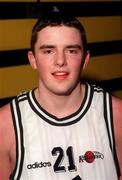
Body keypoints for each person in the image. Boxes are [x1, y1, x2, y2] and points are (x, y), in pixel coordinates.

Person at [0, 9, 122, 180]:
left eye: (71, 51)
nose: (60, 61)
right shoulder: (6, 126)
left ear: (85, 59)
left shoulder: (115, 114)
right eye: (48, 51)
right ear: (33, 59)